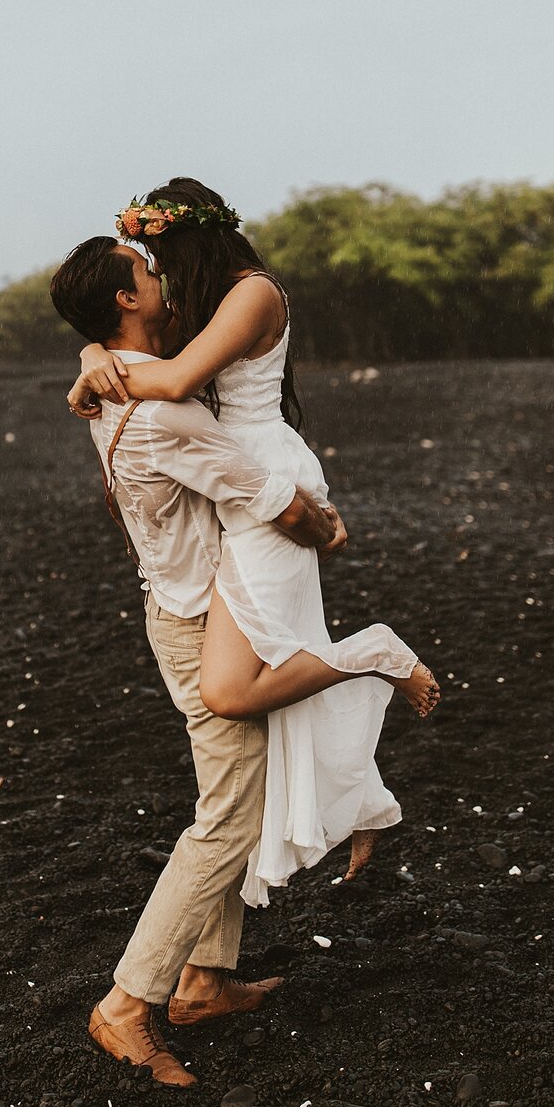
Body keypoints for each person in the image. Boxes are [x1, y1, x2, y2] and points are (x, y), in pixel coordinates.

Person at [67, 179, 439, 902]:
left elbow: (169, 378)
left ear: (190, 236)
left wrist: (100, 373)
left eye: (159, 253)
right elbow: (128, 338)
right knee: (282, 662)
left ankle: (376, 650)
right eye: (148, 262)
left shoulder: (253, 293)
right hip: (229, 483)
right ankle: (362, 801)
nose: (158, 269)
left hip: (261, 475)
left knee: (235, 688)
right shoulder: (199, 301)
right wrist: (90, 353)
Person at [50, 236, 348, 1088]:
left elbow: (136, 357)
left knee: (231, 802)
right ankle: (127, 1002)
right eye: (148, 274)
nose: (164, 280)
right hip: (194, 620)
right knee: (224, 819)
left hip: (171, 604)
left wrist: (89, 353)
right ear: (125, 302)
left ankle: (207, 980)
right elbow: (275, 502)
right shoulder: (165, 411)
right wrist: (330, 528)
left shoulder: (113, 380)